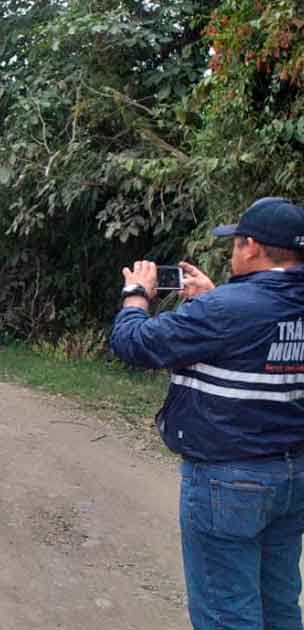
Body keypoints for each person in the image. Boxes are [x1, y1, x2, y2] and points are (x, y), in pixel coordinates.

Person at [110, 197, 304, 630]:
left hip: (229, 482)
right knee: (279, 605)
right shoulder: (237, 307)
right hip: (293, 477)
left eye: (235, 243)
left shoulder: (227, 311)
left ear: (251, 246)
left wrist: (136, 294)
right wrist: (216, 299)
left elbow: (134, 344)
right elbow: (262, 339)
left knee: (227, 613)